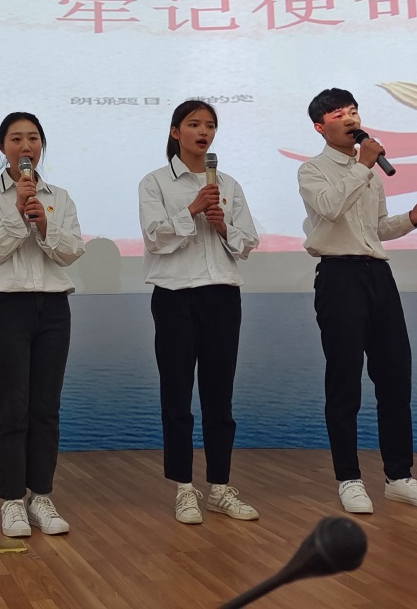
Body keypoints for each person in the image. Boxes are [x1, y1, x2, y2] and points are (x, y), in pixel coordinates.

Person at [298, 88, 417, 514]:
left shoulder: (369, 172)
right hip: (338, 277)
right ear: (320, 127)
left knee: (395, 377)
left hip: (378, 276)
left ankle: (399, 477)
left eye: (353, 111)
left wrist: (411, 220)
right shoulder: (312, 170)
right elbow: (330, 209)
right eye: (338, 114)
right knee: (345, 382)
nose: (350, 118)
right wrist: (364, 166)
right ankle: (349, 479)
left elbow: (376, 228)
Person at [138, 100, 260, 525]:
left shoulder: (228, 183)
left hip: (222, 296)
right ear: (176, 132)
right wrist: (192, 209)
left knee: (219, 397)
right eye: (194, 124)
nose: (203, 132)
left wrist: (222, 224)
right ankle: (184, 489)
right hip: (175, 296)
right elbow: (154, 238)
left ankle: (220, 488)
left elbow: (248, 242)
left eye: (210, 125)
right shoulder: (155, 182)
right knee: (177, 397)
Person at [0, 112, 84, 538]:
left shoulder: (60, 197)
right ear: (3, 148)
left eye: (33, 138)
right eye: (16, 139)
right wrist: (19, 213)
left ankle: (42, 496)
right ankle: (12, 500)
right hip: (8, 307)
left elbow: (71, 252)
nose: (25, 146)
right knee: (12, 406)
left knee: (46, 407)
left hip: (53, 308)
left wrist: (45, 223)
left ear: (41, 146)